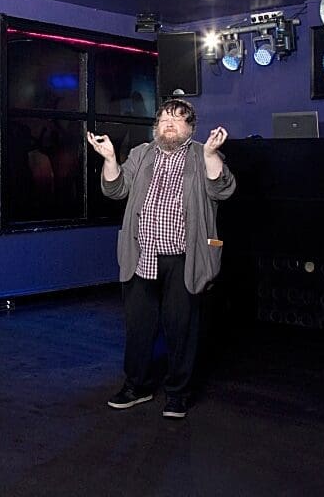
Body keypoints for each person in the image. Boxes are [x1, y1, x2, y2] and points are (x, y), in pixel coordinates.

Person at [87, 98, 236, 419]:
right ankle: (136, 386)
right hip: (142, 256)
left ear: (190, 128)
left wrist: (212, 155)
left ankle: (178, 393)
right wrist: (111, 160)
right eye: (165, 117)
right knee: (139, 328)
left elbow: (222, 190)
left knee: (181, 330)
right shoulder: (141, 154)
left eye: (178, 118)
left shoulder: (203, 154)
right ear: (156, 126)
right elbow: (115, 190)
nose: (170, 122)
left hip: (185, 258)